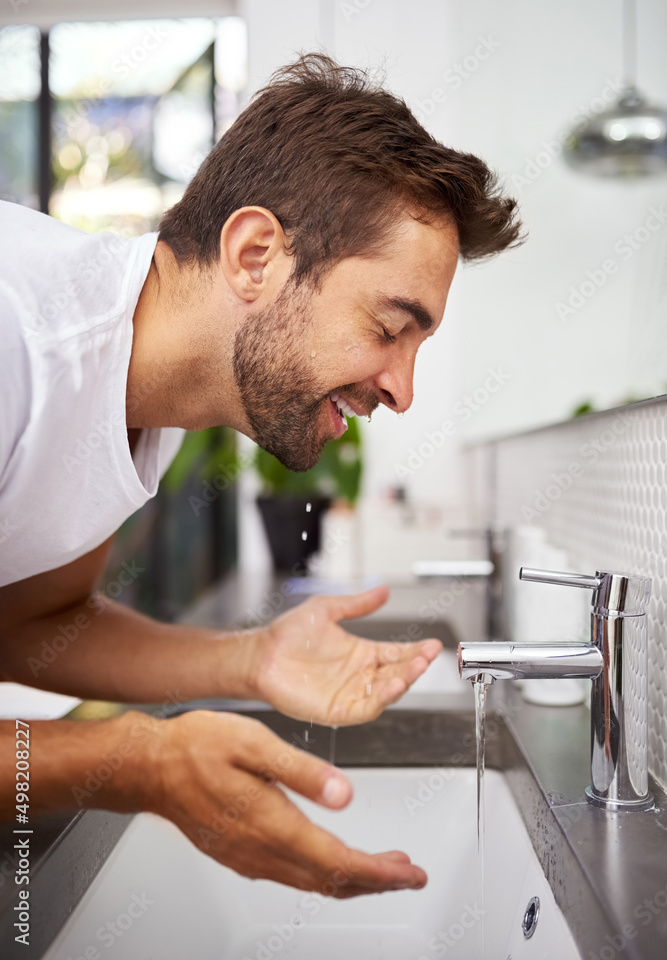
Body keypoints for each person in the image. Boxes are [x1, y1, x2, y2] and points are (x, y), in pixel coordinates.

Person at [0, 54, 522, 897]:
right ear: (253, 255)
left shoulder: (146, 388)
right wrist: (141, 762)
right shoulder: (17, 340)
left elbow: (29, 625)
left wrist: (251, 661)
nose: (401, 388)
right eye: (390, 326)